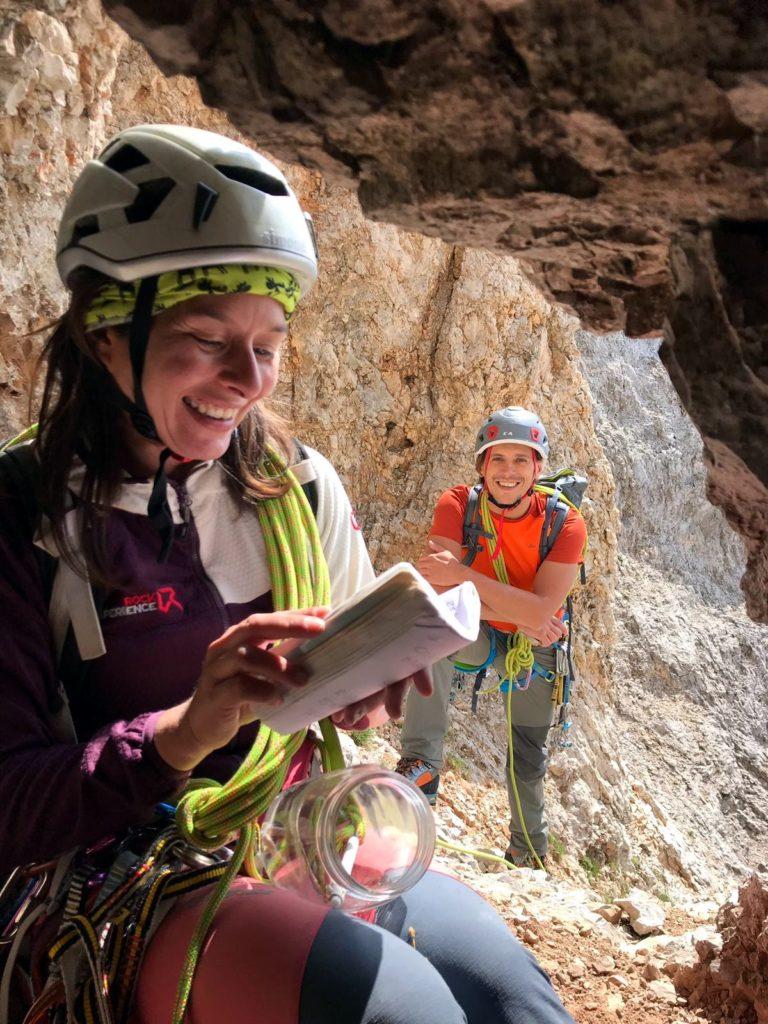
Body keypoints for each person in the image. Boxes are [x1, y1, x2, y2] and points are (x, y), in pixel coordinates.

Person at [0, 126, 576, 1024]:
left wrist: (366, 682)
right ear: (104, 332)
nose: (246, 379)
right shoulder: (21, 519)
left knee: (511, 1001)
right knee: (403, 1011)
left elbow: (333, 698)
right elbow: (10, 803)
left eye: (268, 344)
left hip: (290, 823)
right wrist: (188, 728)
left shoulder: (295, 485)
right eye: (205, 336)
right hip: (113, 872)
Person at [396, 407, 587, 868]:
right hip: (484, 632)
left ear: (538, 469)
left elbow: (539, 609)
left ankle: (528, 853)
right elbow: (440, 593)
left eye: (522, 461)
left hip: (534, 645)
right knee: (432, 624)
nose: (509, 472)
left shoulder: (565, 524)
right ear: (482, 464)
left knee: (526, 752)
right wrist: (521, 613)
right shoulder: (457, 505)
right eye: (498, 459)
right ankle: (421, 766)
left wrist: (466, 576)